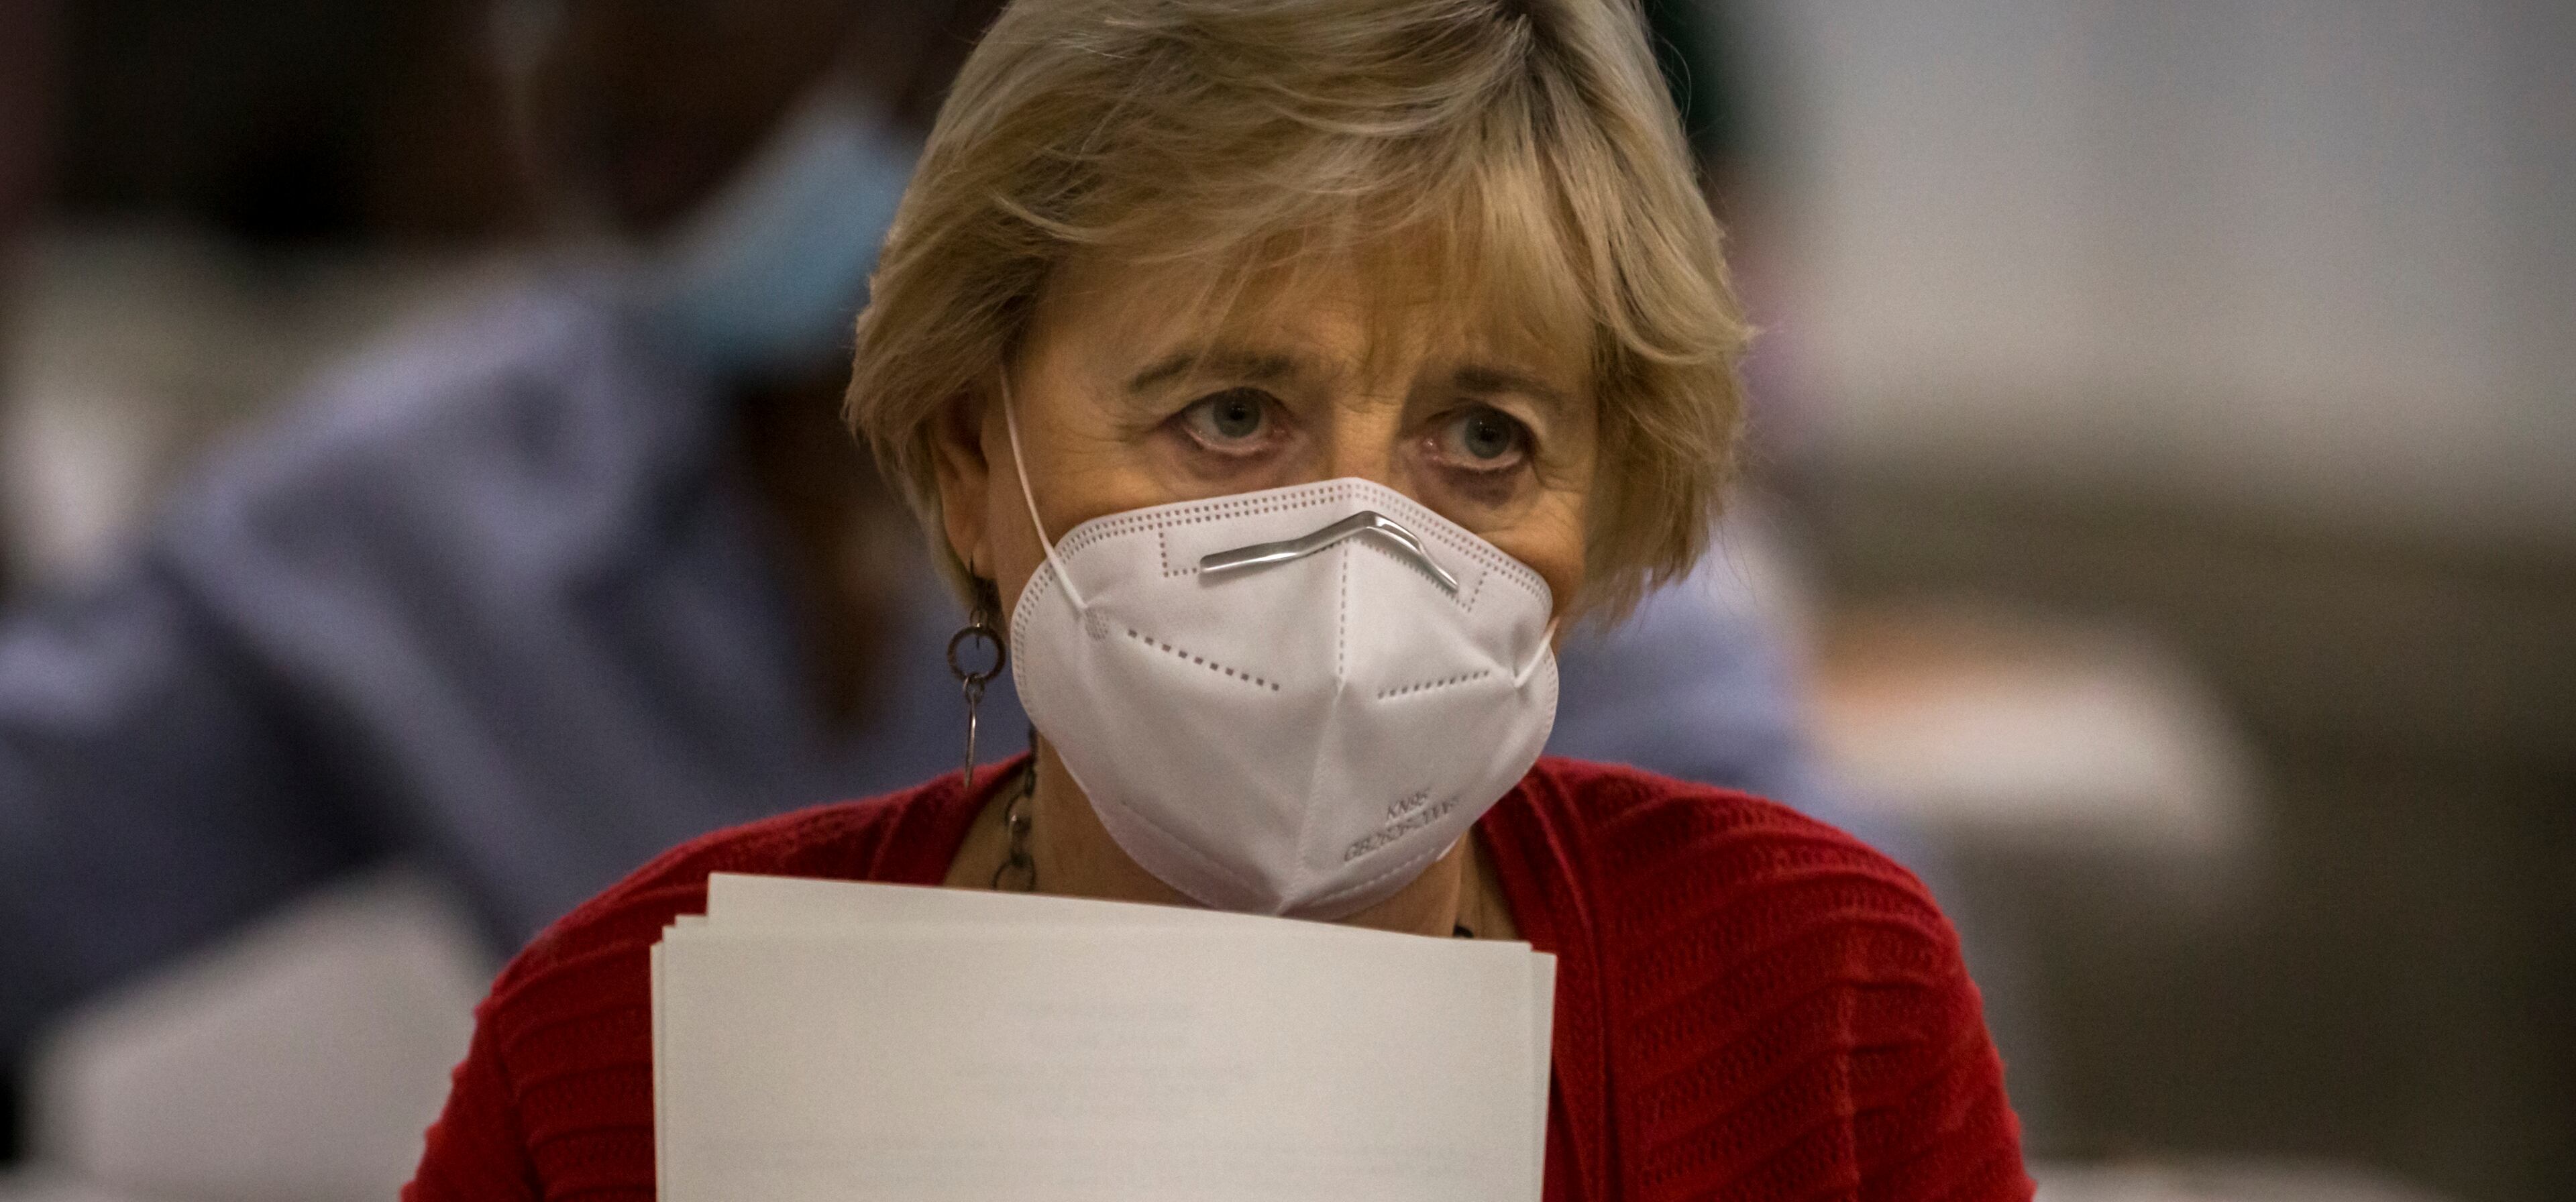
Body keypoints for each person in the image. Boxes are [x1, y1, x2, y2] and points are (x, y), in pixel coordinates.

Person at [242, 1, 2128, 1202]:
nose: (1360, 543)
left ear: (1608, 506)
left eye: (1486, 436)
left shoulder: (1817, 1011)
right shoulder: (619, 1045)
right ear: (976, 460)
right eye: (1233, 415)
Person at [0, 0, 1842, 1103]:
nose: (595, 54)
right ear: (968, 470)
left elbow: (1838, 1076)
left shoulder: (1442, 487)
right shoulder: (402, 522)